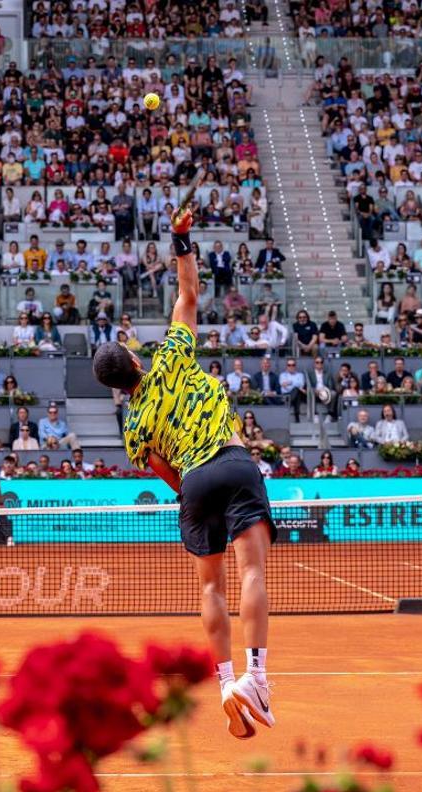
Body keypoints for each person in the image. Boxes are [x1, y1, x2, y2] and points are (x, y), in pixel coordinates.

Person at [90, 205, 276, 739]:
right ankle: (256, 677)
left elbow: (163, 471)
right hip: (232, 460)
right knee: (254, 573)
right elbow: (188, 291)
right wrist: (180, 236)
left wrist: (191, 494)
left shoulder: (133, 423)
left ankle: (225, 684)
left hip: (193, 482)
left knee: (211, 587)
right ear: (134, 357)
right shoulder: (171, 355)